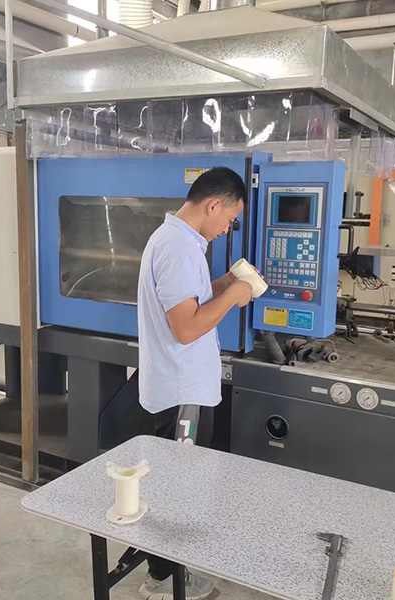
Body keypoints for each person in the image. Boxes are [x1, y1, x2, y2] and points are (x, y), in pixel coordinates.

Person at [135, 167, 256, 600]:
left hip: (181, 387)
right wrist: (233, 297)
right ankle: (163, 579)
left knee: (176, 482)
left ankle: (169, 570)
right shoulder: (180, 249)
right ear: (213, 205)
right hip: (181, 392)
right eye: (230, 219)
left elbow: (187, 303)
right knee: (177, 488)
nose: (227, 229)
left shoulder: (178, 241)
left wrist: (221, 284)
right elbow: (186, 328)